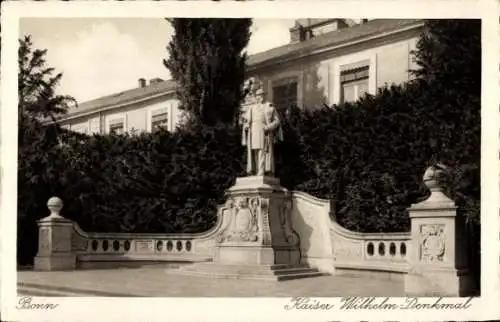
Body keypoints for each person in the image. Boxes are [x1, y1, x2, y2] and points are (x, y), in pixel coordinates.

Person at [241, 87, 283, 176]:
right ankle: (255, 170)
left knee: (262, 150)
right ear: (256, 97)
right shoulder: (251, 108)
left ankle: (261, 171)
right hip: (253, 130)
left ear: (264, 96)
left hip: (264, 130)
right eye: (258, 95)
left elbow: (277, 121)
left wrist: (268, 127)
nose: (260, 97)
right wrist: (246, 126)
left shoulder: (269, 106)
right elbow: (246, 121)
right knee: (254, 151)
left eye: (262, 95)